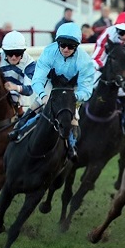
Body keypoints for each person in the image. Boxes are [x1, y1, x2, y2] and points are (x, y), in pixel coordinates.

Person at [10, 23, 95, 161]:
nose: (66, 49)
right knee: (37, 105)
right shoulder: (49, 52)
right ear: (57, 43)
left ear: (77, 46)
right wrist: (43, 95)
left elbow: (86, 89)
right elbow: (37, 79)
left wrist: (73, 97)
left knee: (74, 118)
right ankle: (19, 129)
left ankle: (72, 146)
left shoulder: (85, 61)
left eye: (71, 46)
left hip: (71, 90)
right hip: (52, 85)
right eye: (63, 45)